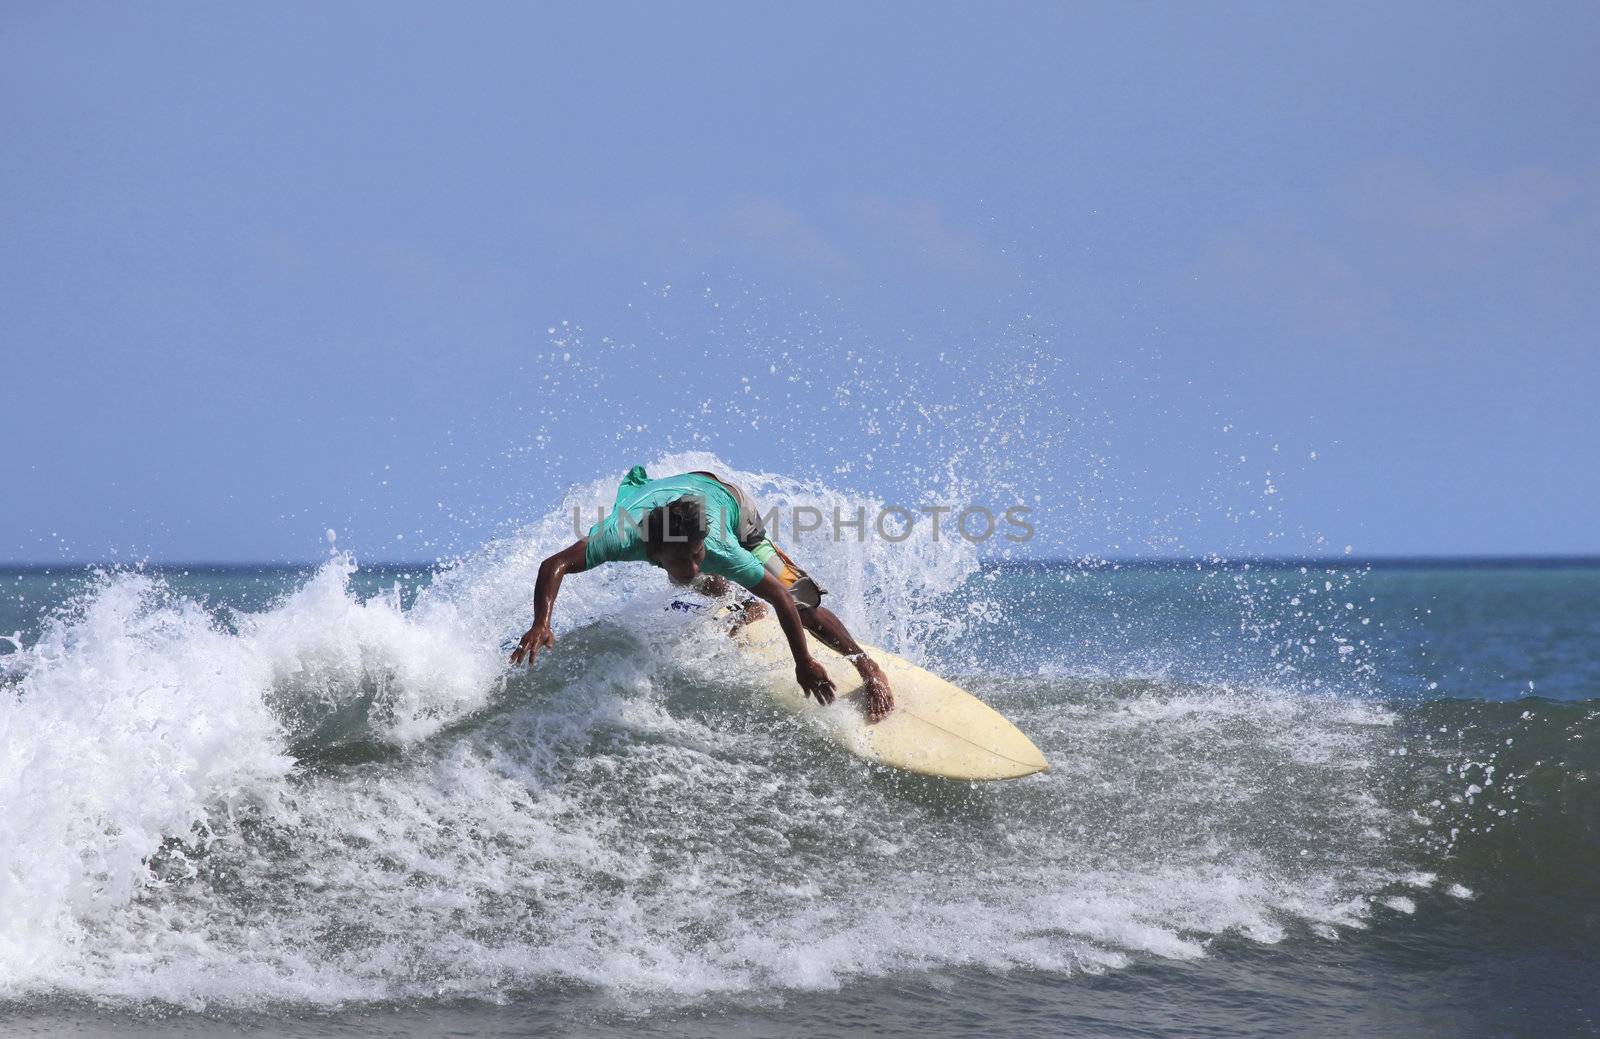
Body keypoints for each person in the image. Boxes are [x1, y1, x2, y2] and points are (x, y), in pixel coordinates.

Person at [510, 466, 894, 721]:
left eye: (697, 555)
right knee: (694, 579)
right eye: (682, 558)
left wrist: (803, 661)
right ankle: (744, 606)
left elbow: (779, 596)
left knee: (800, 601)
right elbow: (553, 565)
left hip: (732, 508)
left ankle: (868, 668)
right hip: (665, 504)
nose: (694, 564)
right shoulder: (620, 537)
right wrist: (541, 622)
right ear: (651, 551)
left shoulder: (721, 548)